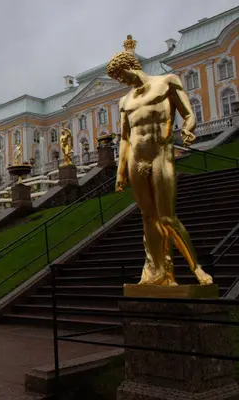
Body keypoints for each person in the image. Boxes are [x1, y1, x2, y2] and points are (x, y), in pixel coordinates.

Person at [108, 34, 211, 286]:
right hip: (135, 158)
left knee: (166, 216)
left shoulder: (167, 82)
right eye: (118, 79)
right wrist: (120, 171)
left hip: (160, 154)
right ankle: (159, 273)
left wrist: (188, 129)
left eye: (122, 75)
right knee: (147, 218)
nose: (121, 81)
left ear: (131, 66)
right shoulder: (125, 101)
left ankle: (196, 268)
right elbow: (124, 138)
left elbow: (189, 114)